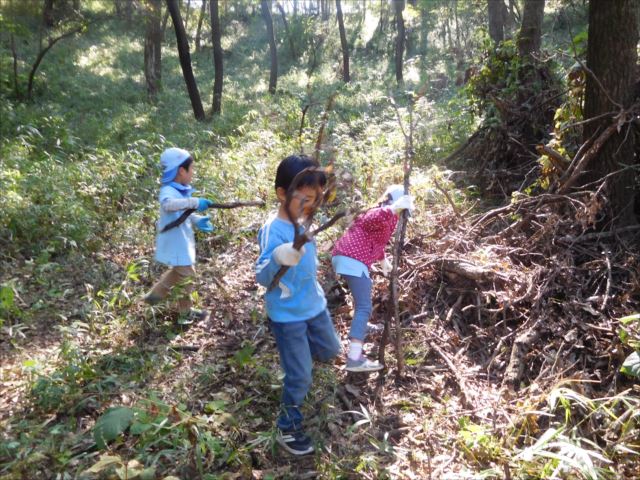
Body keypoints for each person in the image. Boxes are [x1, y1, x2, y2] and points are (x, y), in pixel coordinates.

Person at [255, 154, 341, 456]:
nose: (310, 206)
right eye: (304, 198)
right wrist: (278, 256)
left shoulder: (303, 218)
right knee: (300, 375)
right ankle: (288, 426)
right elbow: (263, 276)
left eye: (315, 199)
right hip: (288, 315)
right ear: (281, 194)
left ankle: (308, 350)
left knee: (331, 350)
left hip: (314, 304)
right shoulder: (273, 230)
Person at [332, 185, 414, 372]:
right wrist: (392, 209)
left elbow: (375, 240)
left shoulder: (388, 218)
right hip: (352, 259)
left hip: (348, 258)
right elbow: (371, 218)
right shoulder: (379, 212)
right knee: (364, 306)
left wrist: (384, 261)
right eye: (400, 209)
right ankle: (354, 358)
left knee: (361, 302)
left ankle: (361, 328)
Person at [143, 147, 215, 323]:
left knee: (178, 273)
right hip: (174, 241)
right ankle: (185, 313)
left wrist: (197, 220)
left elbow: (182, 213)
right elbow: (169, 205)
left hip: (181, 240)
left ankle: (154, 296)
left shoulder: (179, 190)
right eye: (191, 169)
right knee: (187, 274)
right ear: (181, 171)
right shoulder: (168, 192)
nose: (193, 173)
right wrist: (195, 202)